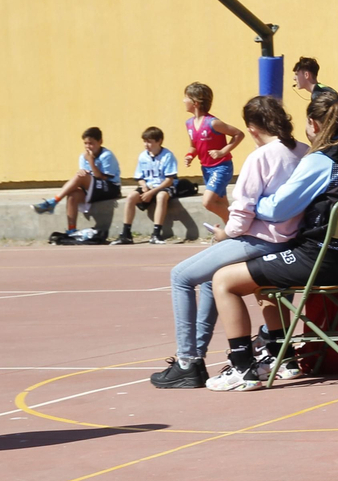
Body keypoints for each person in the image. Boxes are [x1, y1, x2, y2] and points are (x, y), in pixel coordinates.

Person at [204, 90, 338, 391]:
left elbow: (278, 209)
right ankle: (283, 360)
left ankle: (243, 368)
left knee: (224, 280)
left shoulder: (321, 160)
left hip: (319, 260)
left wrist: (250, 203)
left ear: (314, 124)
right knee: (263, 276)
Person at [151, 96, 309, 389]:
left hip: (262, 240)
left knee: (180, 276)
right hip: (293, 242)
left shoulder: (260, 157)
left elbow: (243, 212)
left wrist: (225, 233)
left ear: (251, 128)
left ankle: (187, 361)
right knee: (209, 275)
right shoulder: (304, 152)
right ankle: (198, 358)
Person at [32, 127, 121, 234]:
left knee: (80, 177)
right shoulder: (83, 157)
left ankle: (53, 201)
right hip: (93, 189)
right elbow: (84, 177)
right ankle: (71, 229)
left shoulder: (107, 155)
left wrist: (91, 161)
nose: (88, 147)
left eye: (91, 143)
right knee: (72, 195)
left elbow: (101, 177)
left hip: (110, 188)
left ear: (100, 141)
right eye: (85, 143)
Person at [183, 82, 245, 226]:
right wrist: (189, 156)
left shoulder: (213, 123)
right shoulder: (189, 123)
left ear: (196, 103)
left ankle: (239, 225)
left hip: (221, 167)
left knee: (208, 202)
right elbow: (193, 146)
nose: (183, 101)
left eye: (186, 97)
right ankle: (232, 232)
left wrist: (223, 151)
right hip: (206, 169)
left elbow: (238, 134)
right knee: (221, 202)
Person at [115, 127, 178, 244]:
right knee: (131, 197)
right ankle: (126, 234)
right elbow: (140, 177)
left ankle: (156, 234)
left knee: (161, 197)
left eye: (149, 142)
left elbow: (169, 180)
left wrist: (151, 192)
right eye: (144, 141)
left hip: (163, 186)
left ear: (159, 141)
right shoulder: (143, 156)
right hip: (148, 186)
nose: (146, 145)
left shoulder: (168, 156)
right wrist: (144, 186)